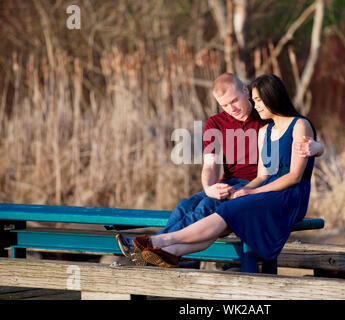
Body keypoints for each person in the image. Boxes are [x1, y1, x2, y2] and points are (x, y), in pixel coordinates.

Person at [116, 73, 323, 266]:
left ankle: (156, 245)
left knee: (208, 207)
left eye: (235, 101)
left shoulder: (263, 118)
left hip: (256, 185)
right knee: (185, 206)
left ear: (245, 91)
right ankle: (162, 254)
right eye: (225, 105)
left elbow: (296, 143)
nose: (231, 108)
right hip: (236, 183)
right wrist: (208, 187)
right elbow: (210, 165)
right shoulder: (218, 123)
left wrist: (318, 147)